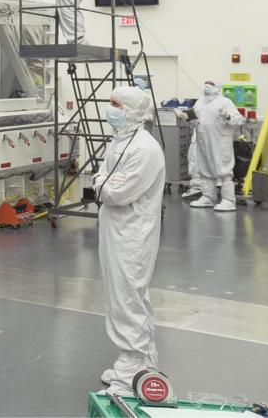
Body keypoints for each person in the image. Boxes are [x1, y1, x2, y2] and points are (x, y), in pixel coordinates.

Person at [94, 85, 166, 394]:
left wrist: (102, 186)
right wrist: (103, 185)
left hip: (132, 234)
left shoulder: (144, 148)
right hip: (116, 229)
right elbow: (101, 181)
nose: (110, 109)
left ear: (133, 110)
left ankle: (131, 372)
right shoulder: (120, 142)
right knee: (123, 295)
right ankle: (139, 360)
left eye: (116, 104)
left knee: (128, 298)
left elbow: (116, 192)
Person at [190, 81, 245, 212]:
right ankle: (208, 196)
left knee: (224, 170)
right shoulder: (199, 103)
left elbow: (239, 120)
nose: (207, 86)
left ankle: (228, 200)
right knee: (205, 168)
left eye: (211, 83)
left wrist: (227, 115)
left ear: (217, 88)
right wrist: (187, 118)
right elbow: (196, 123)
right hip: (203, 141)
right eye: (206, 83)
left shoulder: (225, 102)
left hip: (220, 142)